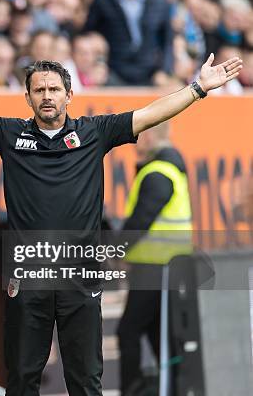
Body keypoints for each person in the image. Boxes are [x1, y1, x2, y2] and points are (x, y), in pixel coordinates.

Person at [0, 54, 242, 395]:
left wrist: (197, 89)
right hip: (28, 276)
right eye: (39, 90)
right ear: (27, 98)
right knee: (24, 377)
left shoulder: (96, 132)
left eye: (54, 89)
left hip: (81, 277)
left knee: (85, 379)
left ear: (69, 94)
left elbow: (149, 114)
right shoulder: (9, 134)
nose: (47, 96)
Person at [117, 123, 192, 395]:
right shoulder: (168, 169)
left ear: (148, 135)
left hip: (157, 267)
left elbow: (140, 221)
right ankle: (175, 387)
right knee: (158, 335)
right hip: (163, 266)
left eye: (139, 134)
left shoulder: (158, 173)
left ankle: (133, 389)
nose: (136, 140)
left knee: (129, 332)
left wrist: (117, 249)